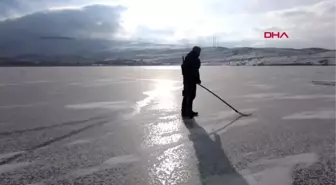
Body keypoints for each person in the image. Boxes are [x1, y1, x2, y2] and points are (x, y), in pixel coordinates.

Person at [181, 46, 202, 118]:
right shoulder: (192, 58)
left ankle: (186, 111)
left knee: (189, 95)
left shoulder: (191, 57)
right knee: (189, 96)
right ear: (196, 51)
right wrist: (195, 79)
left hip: (189, 80)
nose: (200, 53)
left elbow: (195, 70)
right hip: (189, 81)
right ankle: (186, 112)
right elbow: (192, 71)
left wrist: (197, 79)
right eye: (199, 51)